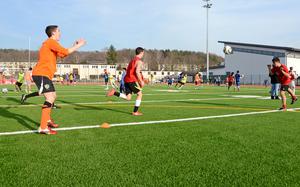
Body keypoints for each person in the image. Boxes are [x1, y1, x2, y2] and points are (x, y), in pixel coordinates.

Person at [21, 25, 86, 134]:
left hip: (44, 74)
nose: (60, 33)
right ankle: (43, 127)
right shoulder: (51, 42)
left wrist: (73, 45)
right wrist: (79, 45)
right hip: (41, 74)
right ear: (53, 33)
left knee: (53, 96)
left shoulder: (51, 44)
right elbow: (65, 52)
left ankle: (47, 120)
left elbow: (62, 54)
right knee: (50, 97)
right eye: (59, 31)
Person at [107, 47, 145, 116]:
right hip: (131, 80)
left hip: (126, 80)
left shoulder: (132, 60)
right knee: (140, 94)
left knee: (128, 98)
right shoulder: (139, 61)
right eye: (143, 53)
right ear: (141, 53)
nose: (143, 54)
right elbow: (137, 72)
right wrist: (141, 81)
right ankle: (135, 112)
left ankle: (114, 93)